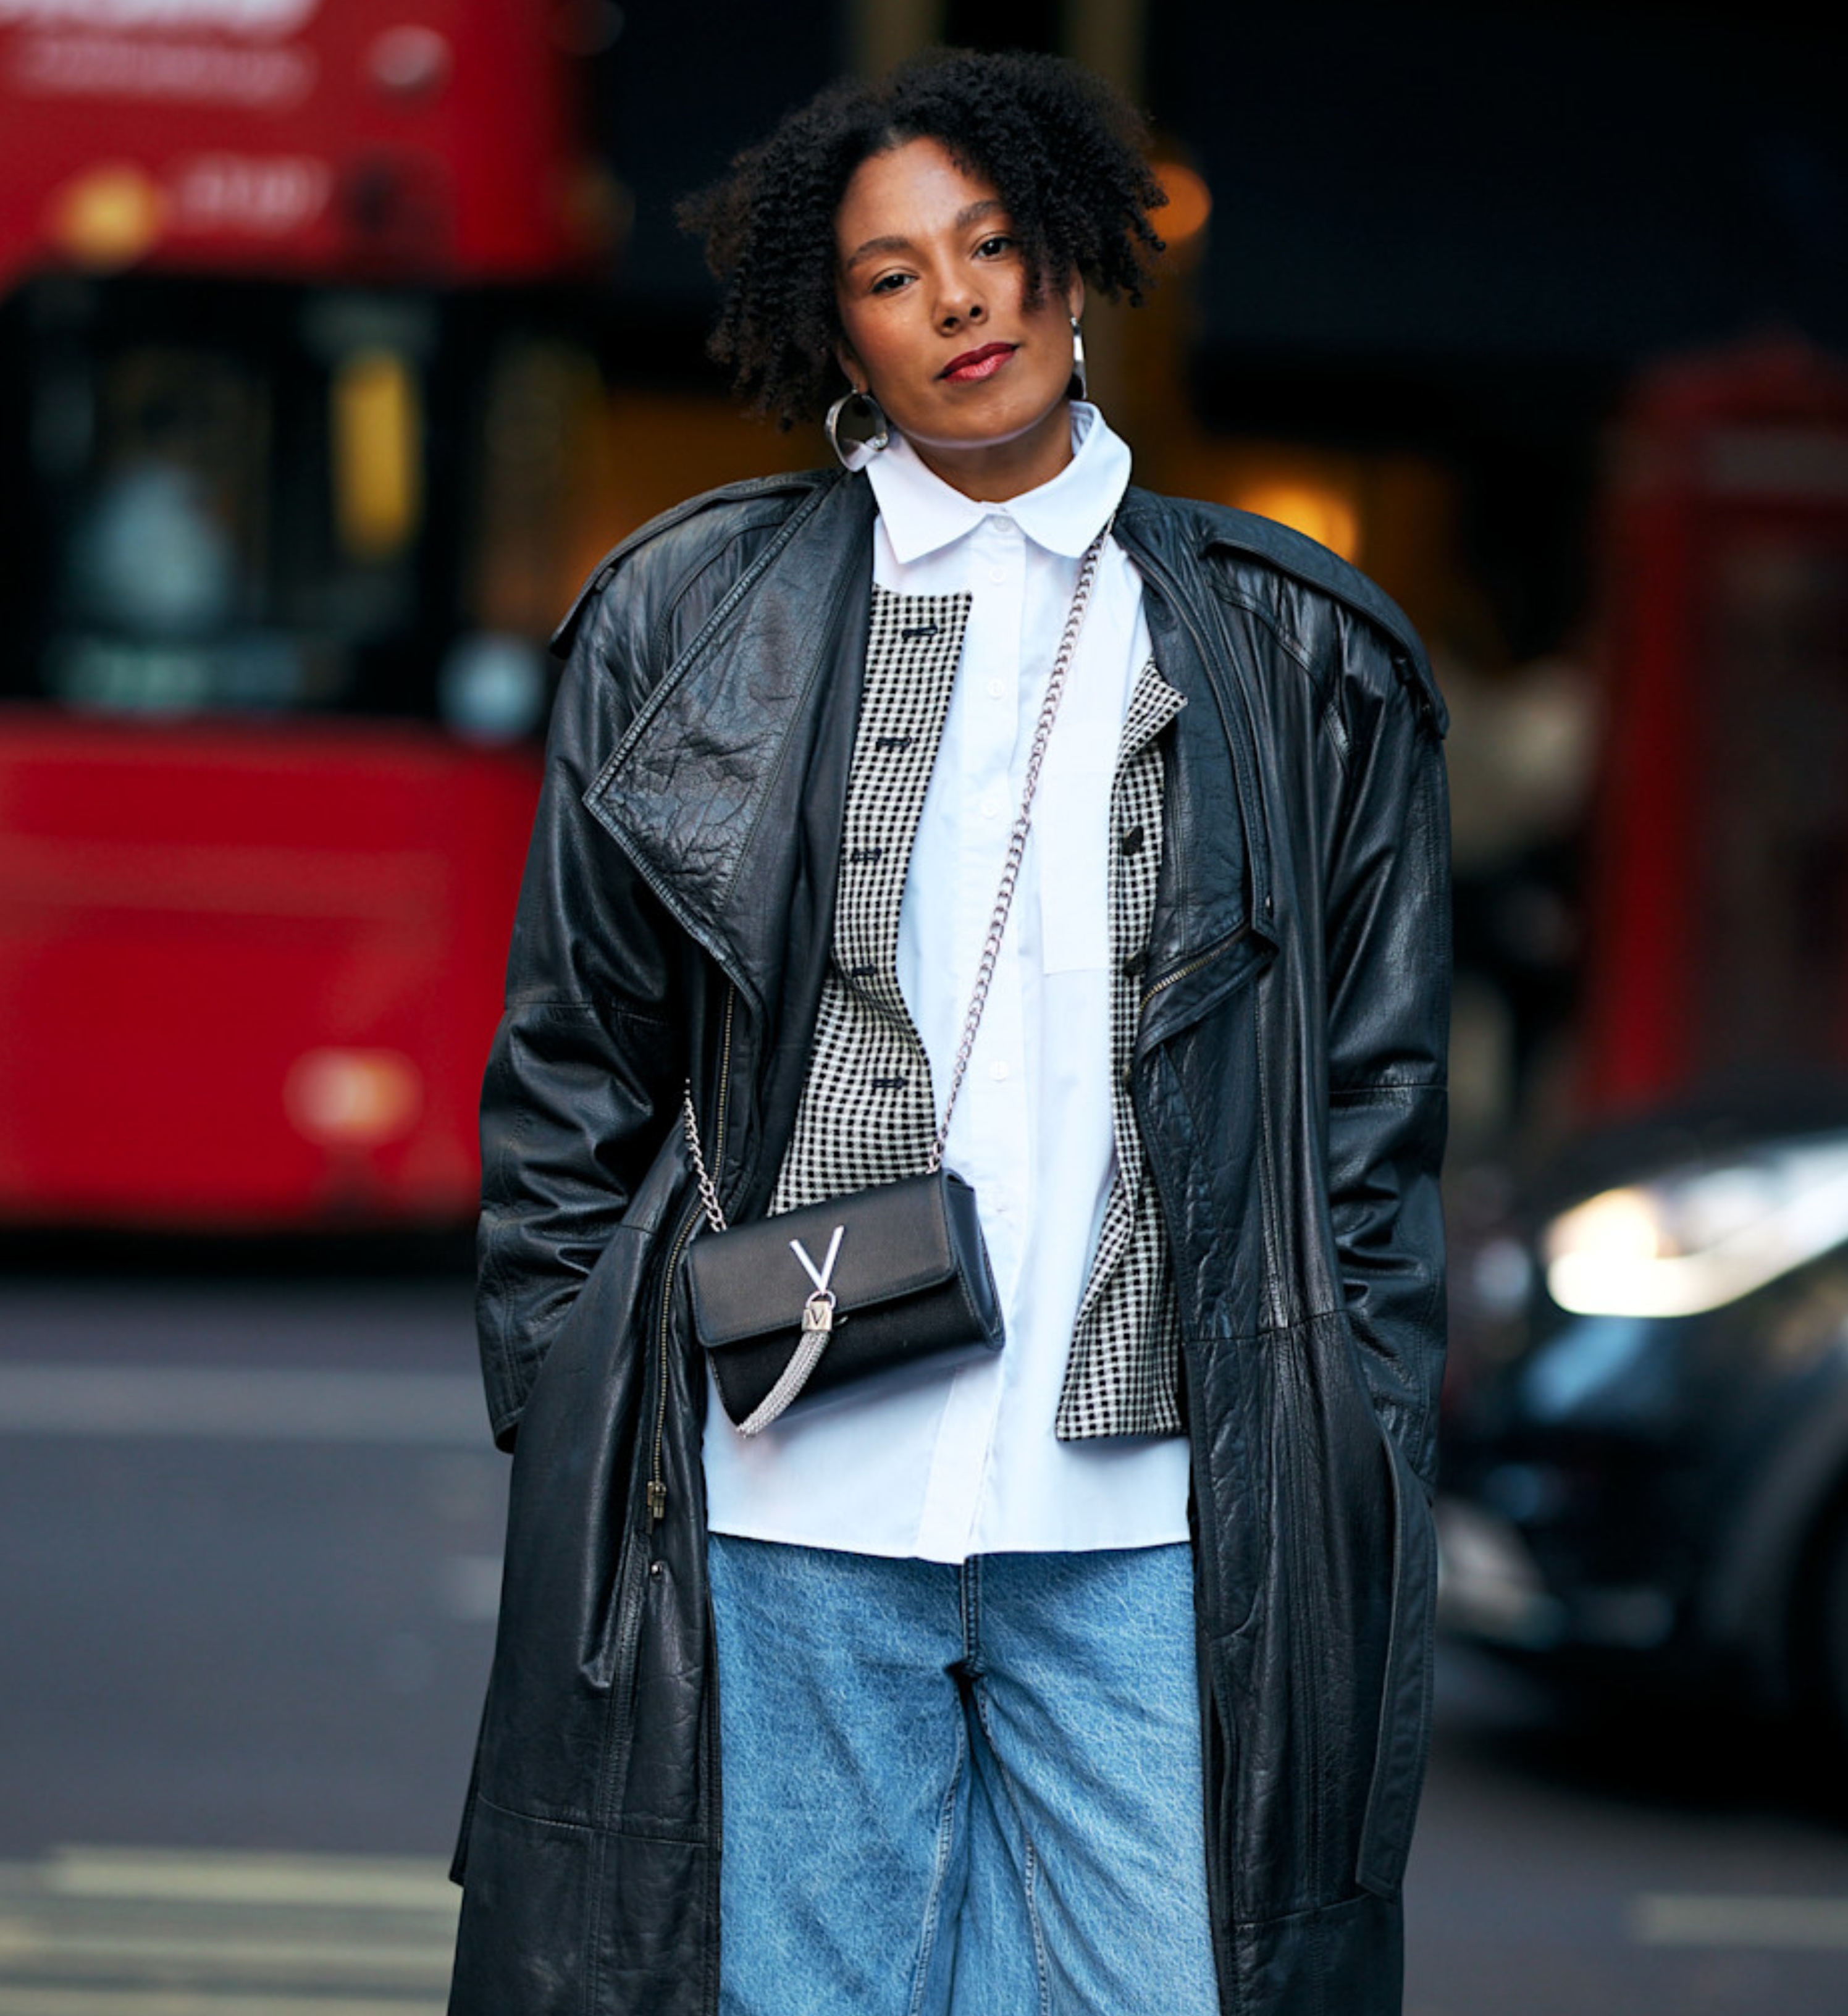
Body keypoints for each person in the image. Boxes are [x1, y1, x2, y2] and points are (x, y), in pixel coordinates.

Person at [448, 47, 1450, 2016]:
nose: (964, 302)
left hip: (1149, 1493)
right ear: (837, 329)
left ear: (1075, 267)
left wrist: (1360, 1445)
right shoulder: (689, 613)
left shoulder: (1296, 645)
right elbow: (573, 1056)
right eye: (897, 274)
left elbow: (1378, 1112)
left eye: (997, 248)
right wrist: (571, 1395)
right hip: (795, 1471)